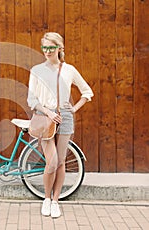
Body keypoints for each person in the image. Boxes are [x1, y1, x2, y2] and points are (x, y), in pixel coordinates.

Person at [27, 32, 94, 218]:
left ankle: (56, 201)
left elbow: (87, 92)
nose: (47, 51)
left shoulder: (69, 70)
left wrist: (73, 109)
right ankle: (46, 199)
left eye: (51, 47)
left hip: (64, 117)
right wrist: (48, 112)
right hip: (44, 116)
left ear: (59, 48)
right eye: (44, 47)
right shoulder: (37, 70)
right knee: (52, 161)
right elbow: (31, 99)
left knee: (61, 161)